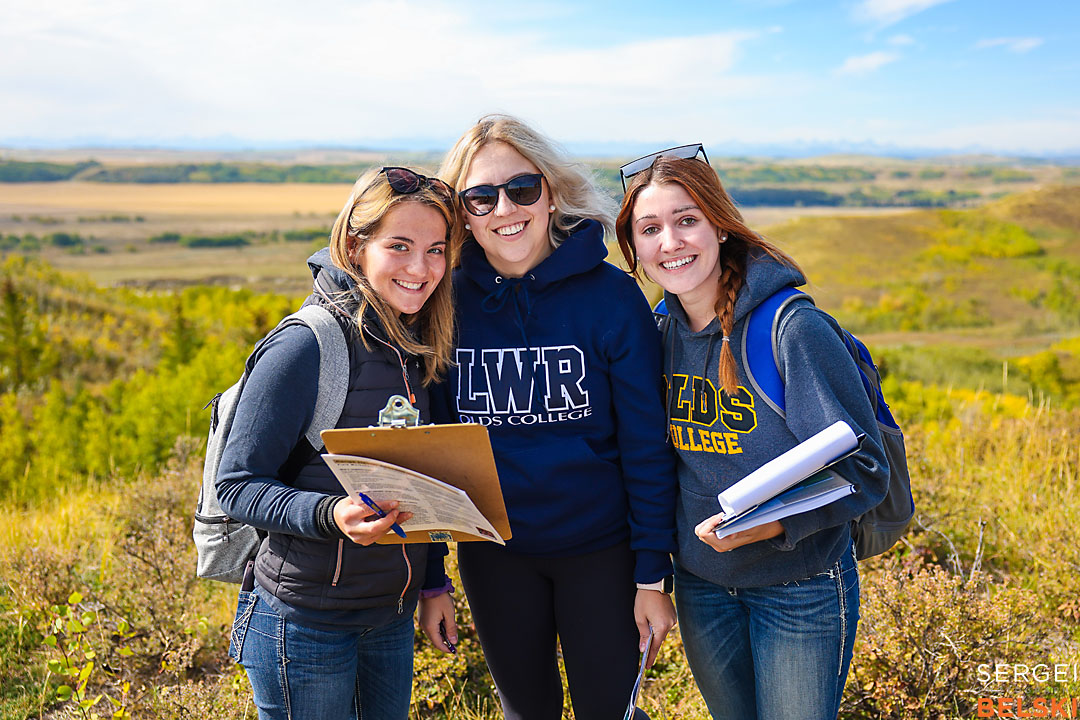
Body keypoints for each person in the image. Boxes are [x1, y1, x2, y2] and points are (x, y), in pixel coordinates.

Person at [615, 148, 891, 720]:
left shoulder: (791, 329)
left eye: (687, 220)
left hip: (800, 589)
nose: (671, 242)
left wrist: (773, 522)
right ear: (635, 250)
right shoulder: (657, 334)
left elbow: (866, 470)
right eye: (650, 229)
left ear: (719, 224)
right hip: (703, 589)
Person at [432, 114, 678, 720]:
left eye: (522, 188)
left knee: (609, 712)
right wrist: (432, 576)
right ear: (462, 213)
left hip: (601, 553)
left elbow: (647, 445)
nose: (504, 208)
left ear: (550, 192)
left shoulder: (611, 298)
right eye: (481, 196)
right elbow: (430, 453)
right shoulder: (445, 303)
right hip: (493, 557)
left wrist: (652, 575)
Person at [216, 166, 462, 720]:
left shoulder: (416, 343)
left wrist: (431, 585)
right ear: (355, 246)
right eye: (398, 246)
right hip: (304, 624)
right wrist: (333, 515)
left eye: (435, 249)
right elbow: (235, 486)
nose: (420, 269)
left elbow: (417, 484)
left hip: (388, 619)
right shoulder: (306, 347)